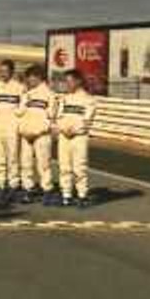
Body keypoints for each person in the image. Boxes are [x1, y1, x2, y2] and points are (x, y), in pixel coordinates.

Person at [54, 69, 98, 208]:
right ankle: (66, 195)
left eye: (69, 81)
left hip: (79, 137)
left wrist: (73, 130)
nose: (67, 84)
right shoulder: (64, 99)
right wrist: (62, 129)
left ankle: (82, 196)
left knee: (79, 167)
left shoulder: (89, 99)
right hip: (64, 137)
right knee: (64, 167)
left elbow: (87, 120)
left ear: (78, 81)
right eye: (66, 81)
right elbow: (58, 117)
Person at [18, 64, 60, 204]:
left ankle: (47, 190)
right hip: (26, 134)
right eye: (28, 78)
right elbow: (20, 113)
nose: (29, 80)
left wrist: (41, 130)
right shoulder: (27, 94)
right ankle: (27, 189)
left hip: (42, 134)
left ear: (39, 77)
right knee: (26, 163)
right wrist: (22, 129)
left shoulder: (50, 94)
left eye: (31, 77)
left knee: (43, 164)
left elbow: (52, 116)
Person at [0, 59, 25, 201]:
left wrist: (16, 116)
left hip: (12, 126)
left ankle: (13, 185)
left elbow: (23, 107)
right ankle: (0, 184)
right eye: (1, 71)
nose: (3, 73)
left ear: (12, 72)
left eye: (6, 71)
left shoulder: (19, 87)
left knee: (13, 157)